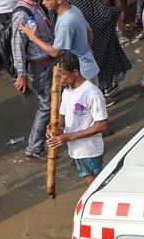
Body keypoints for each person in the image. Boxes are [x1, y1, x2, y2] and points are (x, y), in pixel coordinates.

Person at [46, 53, 108, 182]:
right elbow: (62, 116)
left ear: (75, 72)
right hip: (74, 150)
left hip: (89, 150)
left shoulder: (92, 93)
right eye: (57, 76)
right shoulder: (66, 91)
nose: (59, 80)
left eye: (62, 74)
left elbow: (102, 125)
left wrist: (68, 137)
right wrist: (56, 128)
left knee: (94, 182)